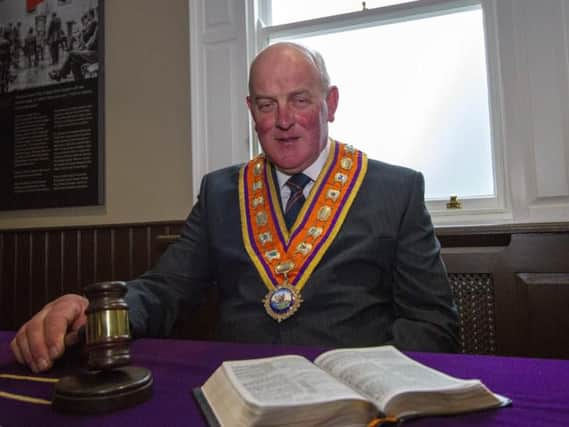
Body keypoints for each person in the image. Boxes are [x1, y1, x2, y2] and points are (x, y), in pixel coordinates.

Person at [10, 42, 459, 373]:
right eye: (267, 104)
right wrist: (94, 309)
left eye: (300, 100)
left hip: (354, 399)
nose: (283, 120)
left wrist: (369, 379)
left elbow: (432, 322)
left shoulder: (396, 190)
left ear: (331, 103)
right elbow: (164, 290)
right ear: (251, 110)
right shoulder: (221, 192)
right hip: (237, 396)